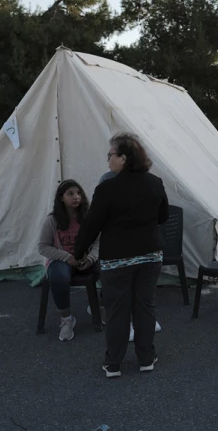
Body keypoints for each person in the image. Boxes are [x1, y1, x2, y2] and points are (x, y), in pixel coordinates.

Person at [75, 133, 169, 378]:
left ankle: (113, 363)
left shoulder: (107, 188)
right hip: (150, 255)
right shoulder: (155, 183)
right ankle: (146, 358)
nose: (108, 160)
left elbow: (92, 224)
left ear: (124, 158)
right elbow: (163, 217)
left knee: (117, 310)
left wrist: (78, 251)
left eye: (111, 155)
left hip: (117, 259)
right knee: (145, 306)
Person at [97, 170, 163, 338]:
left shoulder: (147, 179)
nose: (110, 160)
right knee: (121, 293)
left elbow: (160, 214)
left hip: (142, 247)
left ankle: (140, 324)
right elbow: (100, 215)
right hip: (118, 249)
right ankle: (127, 326)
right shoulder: (108, 179)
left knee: (141, 291)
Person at [38, 180, 99, 341]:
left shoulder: (89, 217)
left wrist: (90, 258)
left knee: (110, 267)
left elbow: (98, 242)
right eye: (70, 194)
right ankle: (66, 319)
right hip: (62, 261)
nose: (76, 197)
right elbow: (43, 247)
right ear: (61, 198)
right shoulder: (52, 220)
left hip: (86, 260)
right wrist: (67, 257)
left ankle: (102, 306)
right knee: (58, 276)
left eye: (78, 193)